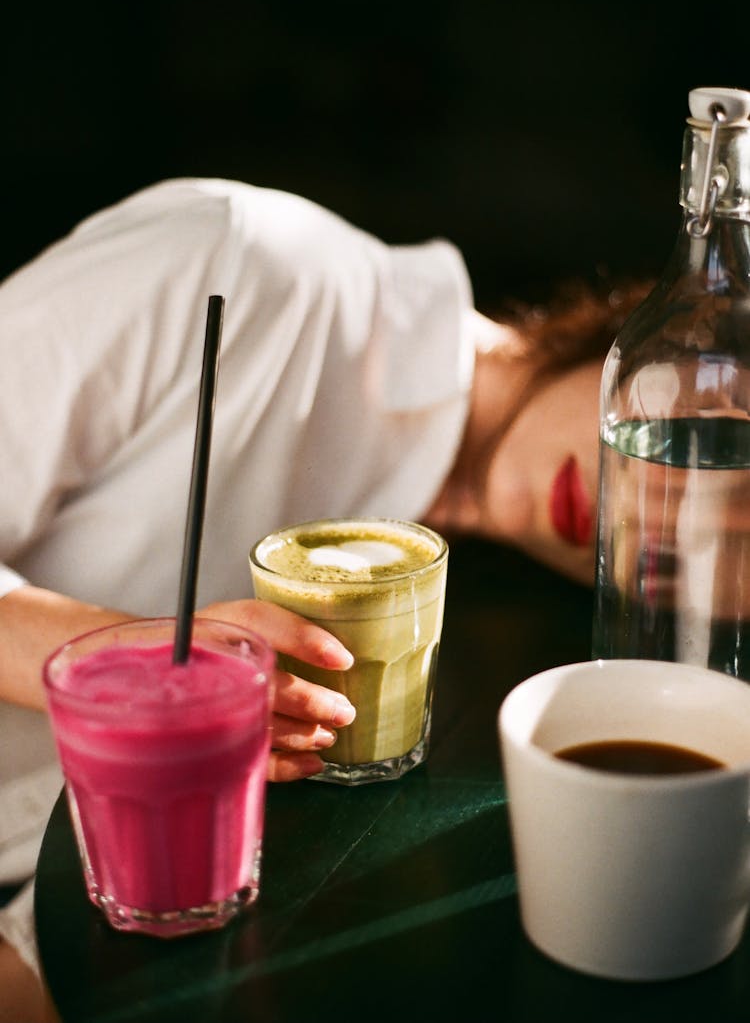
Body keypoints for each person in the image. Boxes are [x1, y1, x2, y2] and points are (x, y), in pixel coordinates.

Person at [0, 177, 648, 1020]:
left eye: (698, 562)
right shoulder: (240, 257)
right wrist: (143, 658)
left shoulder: (495, 612)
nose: (647, 521)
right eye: (720, 440)